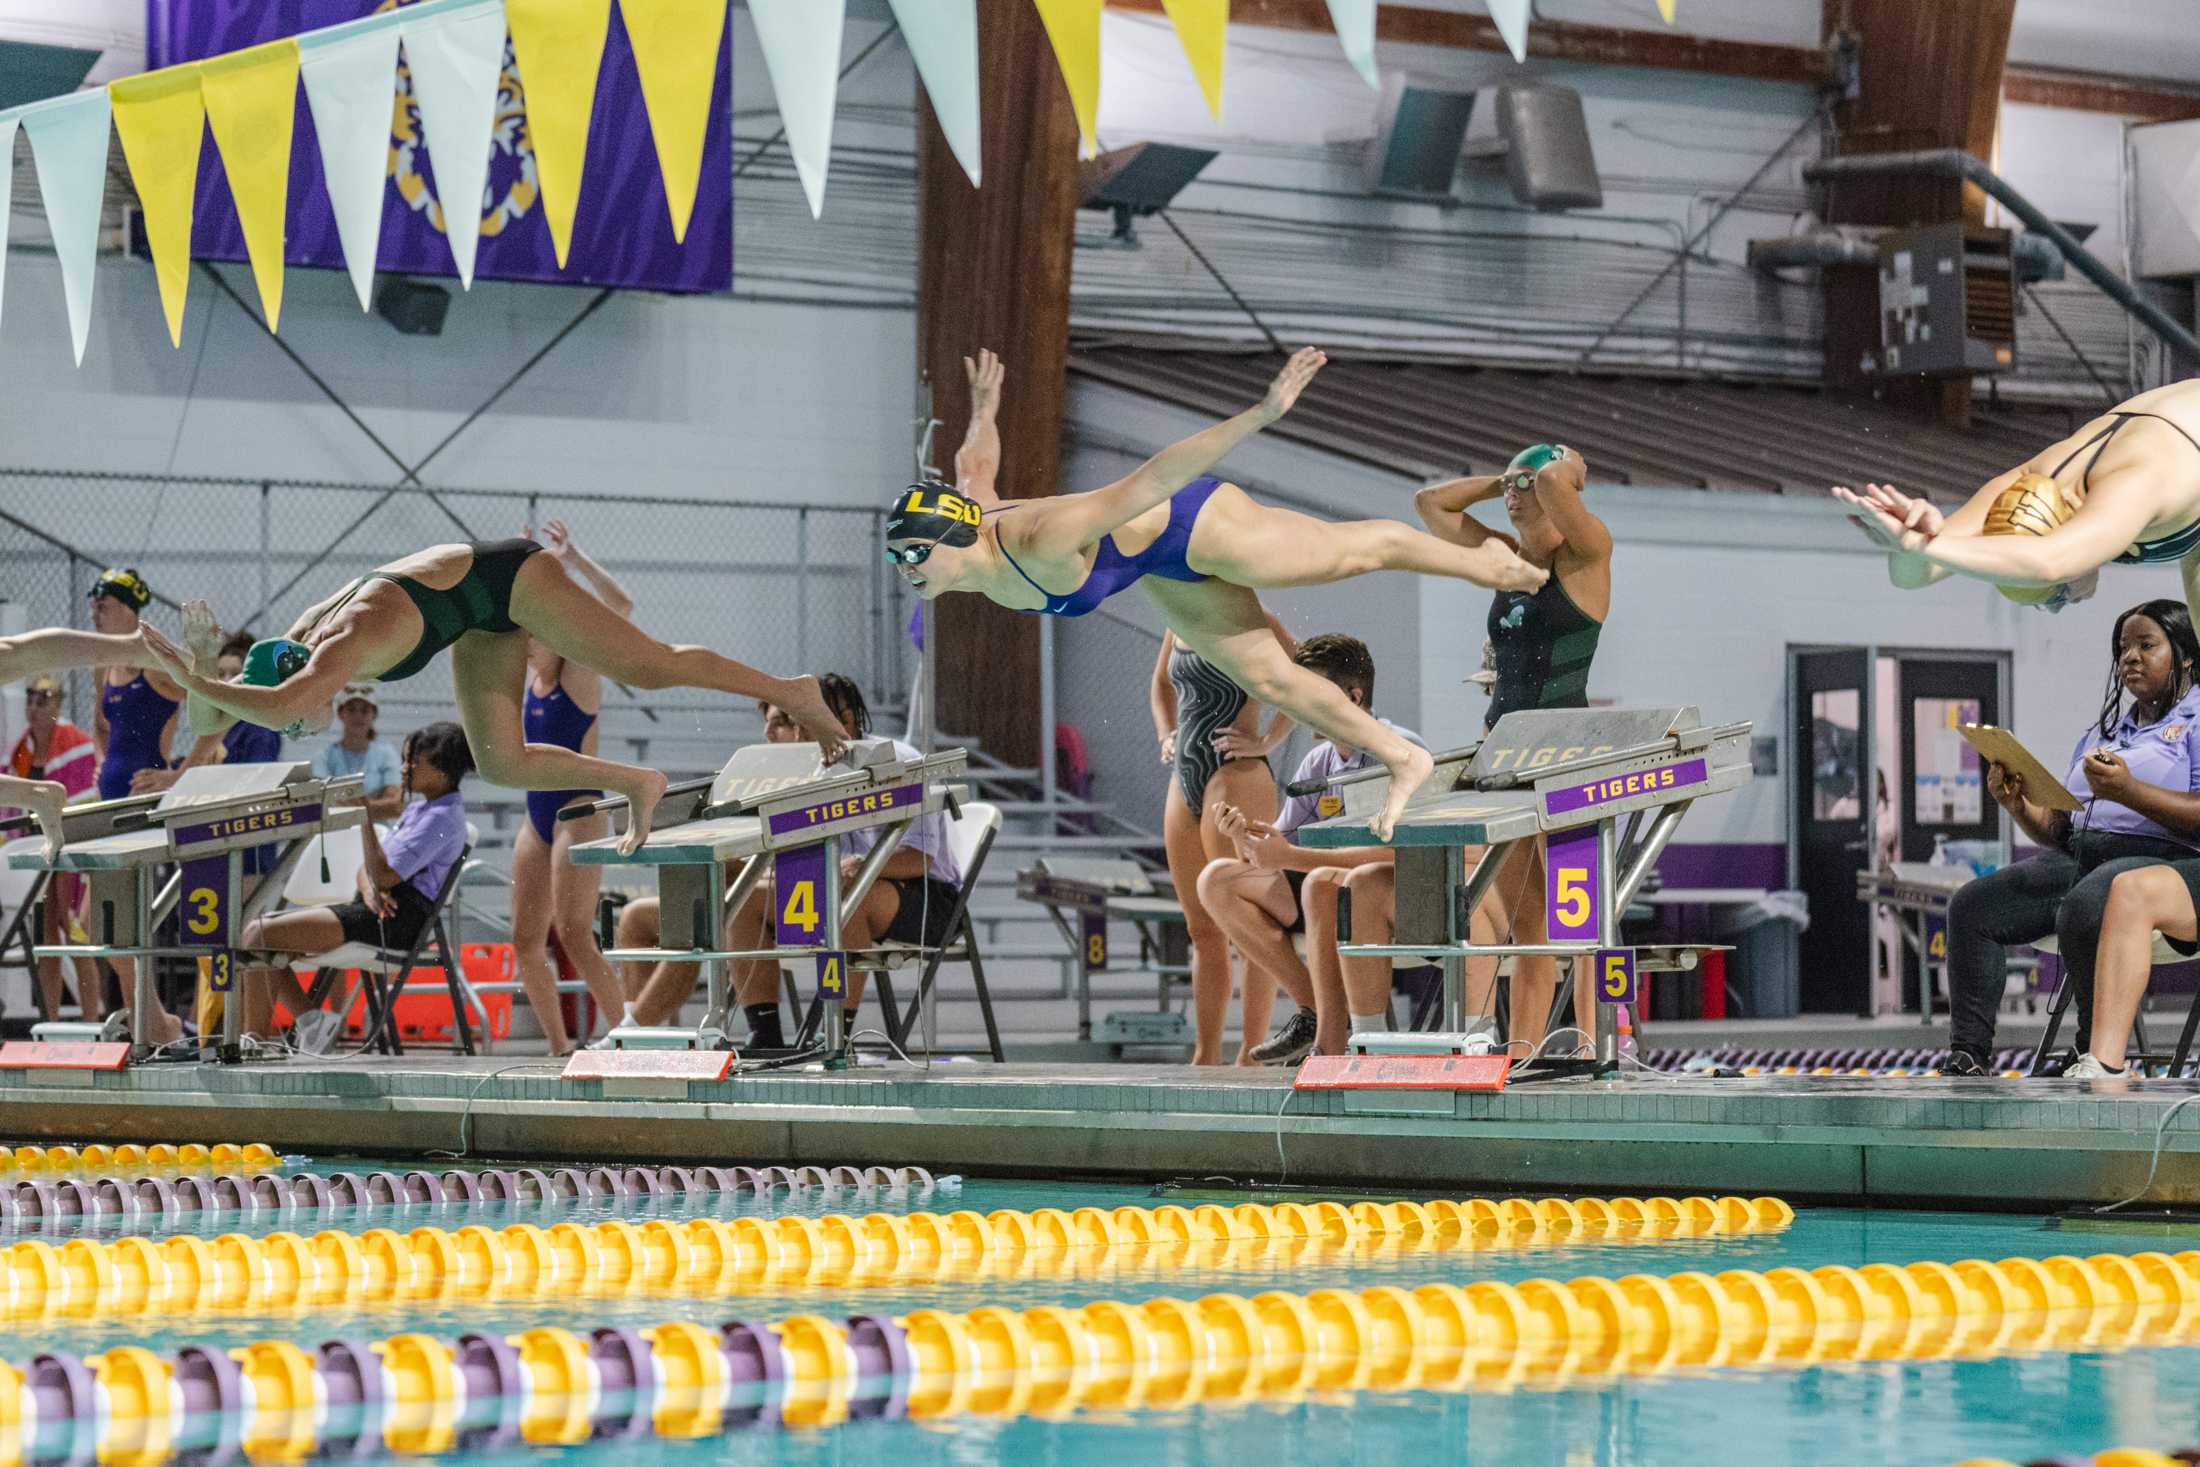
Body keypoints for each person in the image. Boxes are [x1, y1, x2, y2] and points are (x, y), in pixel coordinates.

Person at [881, 347, 1543, 840]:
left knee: (1345, 555)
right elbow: (975, 466)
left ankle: (1481, 562)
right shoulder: (973, 530)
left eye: (914, 554)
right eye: (898, 558)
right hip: (1162, 572)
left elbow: (1152, 478)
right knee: (1275, 680)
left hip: (1192, 523)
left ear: (950, 538)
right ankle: (1404, 757)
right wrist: (985, 408)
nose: (908, 570)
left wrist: (1261, 414)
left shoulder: (1039, 539)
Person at [127, 540, 847, 856]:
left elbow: (281, 706)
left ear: (308, 677)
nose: (311, 723)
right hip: (471, 615)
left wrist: (194, 675)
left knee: (651, 664)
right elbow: (217, 719)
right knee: (500, 762)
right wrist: (193, 661)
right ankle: (636, 780)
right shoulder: (298, 642)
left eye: (309, 714)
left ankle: (793, 692)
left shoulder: (342, 640)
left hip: (506, 579)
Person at [618, 675, 961, 1051]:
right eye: (789, 725)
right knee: (745, 899)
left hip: (928, 898)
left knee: (839, 893)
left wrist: (857, 866)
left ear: (844, 720)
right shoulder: (799, 771)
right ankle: (764, 1035)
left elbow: (920, 859)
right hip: (841, 886)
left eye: (798, 724)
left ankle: (834, 1036)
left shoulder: (899, 760)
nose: (790, 736)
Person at [1939, 599, 2200, 1078]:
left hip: (2167, 862)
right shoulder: (2107, 732)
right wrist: (2020, 806)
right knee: (1973, 907)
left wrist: (2131, 790)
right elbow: (2062, 829)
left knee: (2086, 902)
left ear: (2184, 654)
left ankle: (2094, 1052)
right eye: (2123, 648)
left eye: (2147, 645)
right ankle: (1969, 1054)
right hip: (2086, 855)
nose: (2130, 658)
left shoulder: (2197, 720)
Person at [1417, 444, 1614, 1049]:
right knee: (1527, 926)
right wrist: (1502, 479)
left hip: (1568, 759)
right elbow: (1430, 504)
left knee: (1577, 924)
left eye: (1527, 482)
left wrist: (1563, 472)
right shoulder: (1502, 557)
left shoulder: (1586, 556)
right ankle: (1524, 1055)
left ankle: (1589, 1048)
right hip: (1502, 759)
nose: (1516, 491)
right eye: (1512, 483)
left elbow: (1557, 480)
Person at [1199, 635, 1425, 1063]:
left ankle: (1331, 1040)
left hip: (1388, 899)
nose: (1298, 704)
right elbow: (1275, 852)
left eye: (1311, 690)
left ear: (1353, 697)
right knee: (1217, 880)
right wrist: (1242, 836)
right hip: (1326, 889)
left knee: (1320, 883)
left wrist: (1292, 858)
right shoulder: (1319, 762)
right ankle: (1316, 1012)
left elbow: (1399, 855)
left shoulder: (1397, 751)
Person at [1832, 380, 2200, 615]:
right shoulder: (2032, 480)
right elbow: (1911, 578)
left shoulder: (2133, 485)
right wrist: (1910, 544)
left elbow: (2048, 563)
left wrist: (1927, 546)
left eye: (2055, 600)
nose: (2068, 605)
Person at [234, 722, 473, 1048]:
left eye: (414, 762)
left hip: (398, 922)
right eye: (404, 760)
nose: (404, 769)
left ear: (445, 770)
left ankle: (264, 1039)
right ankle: (306, 1024)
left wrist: (364, 817)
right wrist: (372, 889)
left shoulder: (442, 817)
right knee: (258, 936)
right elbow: (369, 871)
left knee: (258, 935)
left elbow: (385, 873)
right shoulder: (421, 808)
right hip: (375, 907)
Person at [511, 521, 633, 1056]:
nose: (524, 642)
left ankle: (631, 1035)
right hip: (536, 815)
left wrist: (574, 560)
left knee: (575, 933)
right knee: (524, 941)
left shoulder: (576, 670)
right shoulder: (528, 678)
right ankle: (560, 1051)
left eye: (532, 633)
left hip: (578, 811)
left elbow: (621, 608)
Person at [1151, 622, 1295, 1066]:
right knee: (1202, 929)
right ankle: (1205, 1053)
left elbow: (1306, 673)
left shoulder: (1246, 612)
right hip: (1185, 781)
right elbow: (1160, 685)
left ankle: (1252, 1053)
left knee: (1248, 923)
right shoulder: (1176, 615)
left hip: (1236, 775)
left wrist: (1269, 737)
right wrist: (1165, 732)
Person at [6, 677, 100, 1022]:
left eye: (42, 699)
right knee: (45, 940)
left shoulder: (76, 745)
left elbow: (85, 803)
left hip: (66, 852)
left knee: (72, 932)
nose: (33, 707)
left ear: (58, 704)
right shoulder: (21, 750)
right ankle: (51, 1023)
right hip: (36, 856)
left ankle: (92, 1019)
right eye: (29, 698)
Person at [84, 570, 184, 802]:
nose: (94, 615)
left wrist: (179, 774)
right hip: (109, 798)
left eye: (102, 607)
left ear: (128, 609)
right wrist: (102, 763)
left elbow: (215, 708)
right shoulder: (104, 666)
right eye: (93, 607)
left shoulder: (156, 664)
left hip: (148, 798)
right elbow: (100, 726)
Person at [313, 686, 404, 821]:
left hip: (380, 834)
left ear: (374, 715)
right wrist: (376, 806)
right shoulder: (324, 757)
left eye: (364, 710)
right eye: (351, 710)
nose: (358, 716)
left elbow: (395, 806)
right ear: (340, 714)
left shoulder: (386, 754)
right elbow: (318, 805)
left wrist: (343, 805)